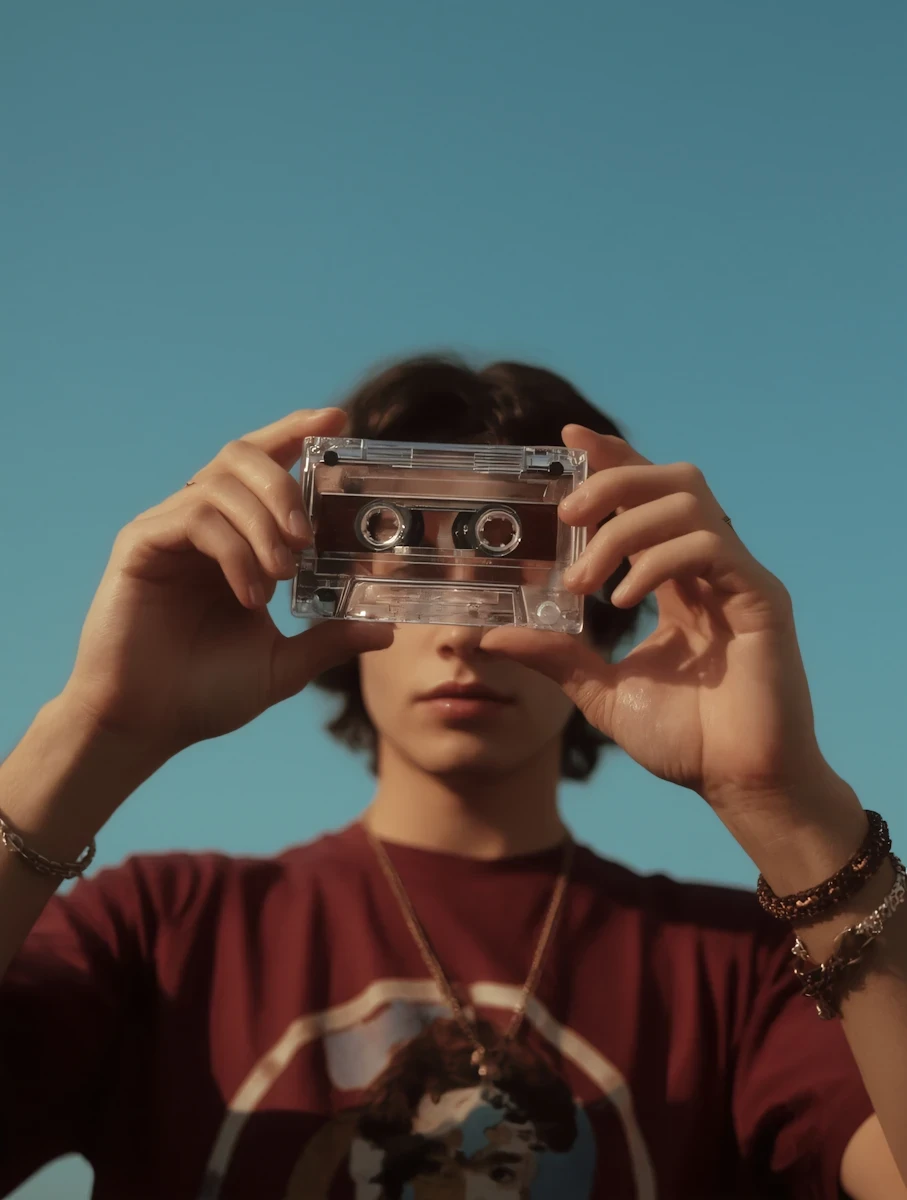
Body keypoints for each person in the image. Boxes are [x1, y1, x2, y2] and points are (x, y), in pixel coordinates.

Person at [0, 356, 903, 1200]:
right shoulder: (163, 932)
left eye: (512, 549)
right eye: (402, 547)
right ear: (333, 575)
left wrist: (786, 807)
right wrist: (90, 733)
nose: (463, 632)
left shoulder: (746, 969)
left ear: (602, 597)